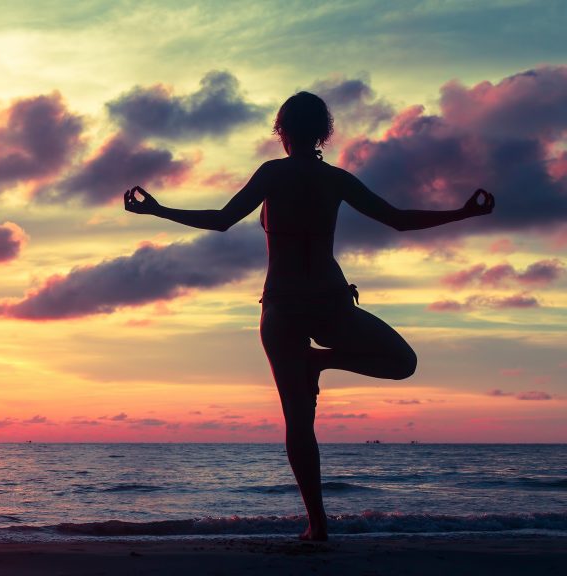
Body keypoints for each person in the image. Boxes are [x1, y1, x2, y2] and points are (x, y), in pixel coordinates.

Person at [123, 91, 494, 541]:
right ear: (324, 132)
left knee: (299, 422)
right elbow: (398, 220)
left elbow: (221, 220)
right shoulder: (335, 179)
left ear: (281, 131)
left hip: (281, 307)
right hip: (327, 301)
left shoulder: (273, 174)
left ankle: (317, 525)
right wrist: (463, 212)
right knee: (403, 363)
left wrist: (157, 209)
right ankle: (322, 364)